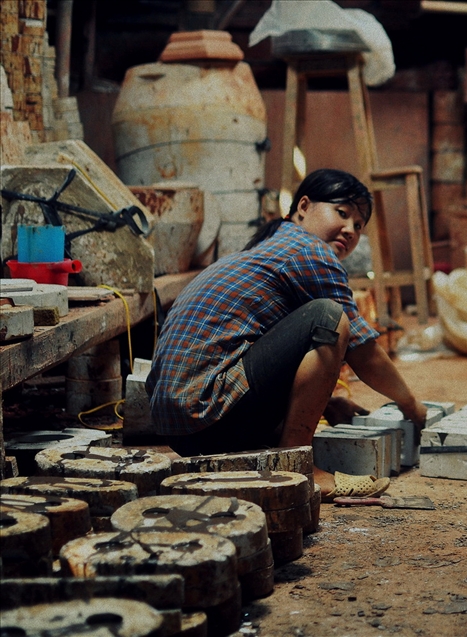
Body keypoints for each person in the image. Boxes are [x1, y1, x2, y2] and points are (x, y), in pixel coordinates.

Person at [147, 168, 428, 499]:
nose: (350, 230)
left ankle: (275, 448)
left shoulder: (269, 249)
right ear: (303, 207)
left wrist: (324, 404)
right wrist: (412, 406)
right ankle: (297, 466)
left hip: (180, 431)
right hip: (206, 418)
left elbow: (261, 351)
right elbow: (362, 350)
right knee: (329, 318)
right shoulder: (308, 250)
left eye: (358, 225)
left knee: (319, 320)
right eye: (342, 213)